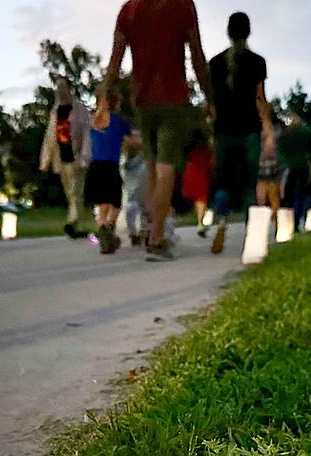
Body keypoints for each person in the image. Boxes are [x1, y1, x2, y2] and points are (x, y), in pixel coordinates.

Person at [97, 0, 213, 261]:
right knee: (166, 168)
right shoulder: (182, 5)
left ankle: (152, 229)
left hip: (143, 103)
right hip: (173, 100)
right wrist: (210, 97)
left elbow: (114, 62)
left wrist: (104, 102)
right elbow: (197, 56)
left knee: (151, 169)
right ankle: (157, 239)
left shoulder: (129, 9)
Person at [208, 12, 271, 254]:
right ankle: (253, 237)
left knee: (223, 181)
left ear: (228, 32)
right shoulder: (257, 62)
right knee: (249, 183)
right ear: (249, 32)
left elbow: (211, 103)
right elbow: (260, 99)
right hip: (249, 131)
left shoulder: (215, 63)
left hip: (224, 130)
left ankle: (222, 223)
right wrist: (267, 129)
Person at [40, 78, 92, 239]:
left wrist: (85, 156)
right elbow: (49, 136)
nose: (59, 90)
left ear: (69, 89)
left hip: (76, 157)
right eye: (57, 88)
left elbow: (87, 134)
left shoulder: (80, 109)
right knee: (70, 193)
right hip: (60, 158)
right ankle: (74, 224)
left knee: (76, 192)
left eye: (62, 87)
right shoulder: (56, 111)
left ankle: (72, 221)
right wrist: (45, 160)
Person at [86, 88, 131, 254]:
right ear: (117, 103)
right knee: (115, 203)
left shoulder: (94, 120)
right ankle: (107, 228)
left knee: (102, 206)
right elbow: (133, 139)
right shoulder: (119, 121)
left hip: (95, 166)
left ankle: (106, 235)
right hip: (110, 165)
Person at [278, 112, 311, 231]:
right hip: (303, 166)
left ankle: (286, 221)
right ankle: (295, 221)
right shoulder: (306, 131)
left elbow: (280, 146)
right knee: (300, 194)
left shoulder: (286, 134)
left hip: (289, 167)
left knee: (288, 195)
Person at [181, 110, 214, 238]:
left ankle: (201, 221)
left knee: (197, 200)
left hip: (190, 173)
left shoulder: (189, 149)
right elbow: (211, 163)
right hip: (201, 174)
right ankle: (201, 223)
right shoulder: (206, 150)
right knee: (201, 199)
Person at [256, 127, 281, 213]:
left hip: (271, 170)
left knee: (273, 197)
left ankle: (274, 217)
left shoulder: (274, 132)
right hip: (263, 170)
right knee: (262, 198)